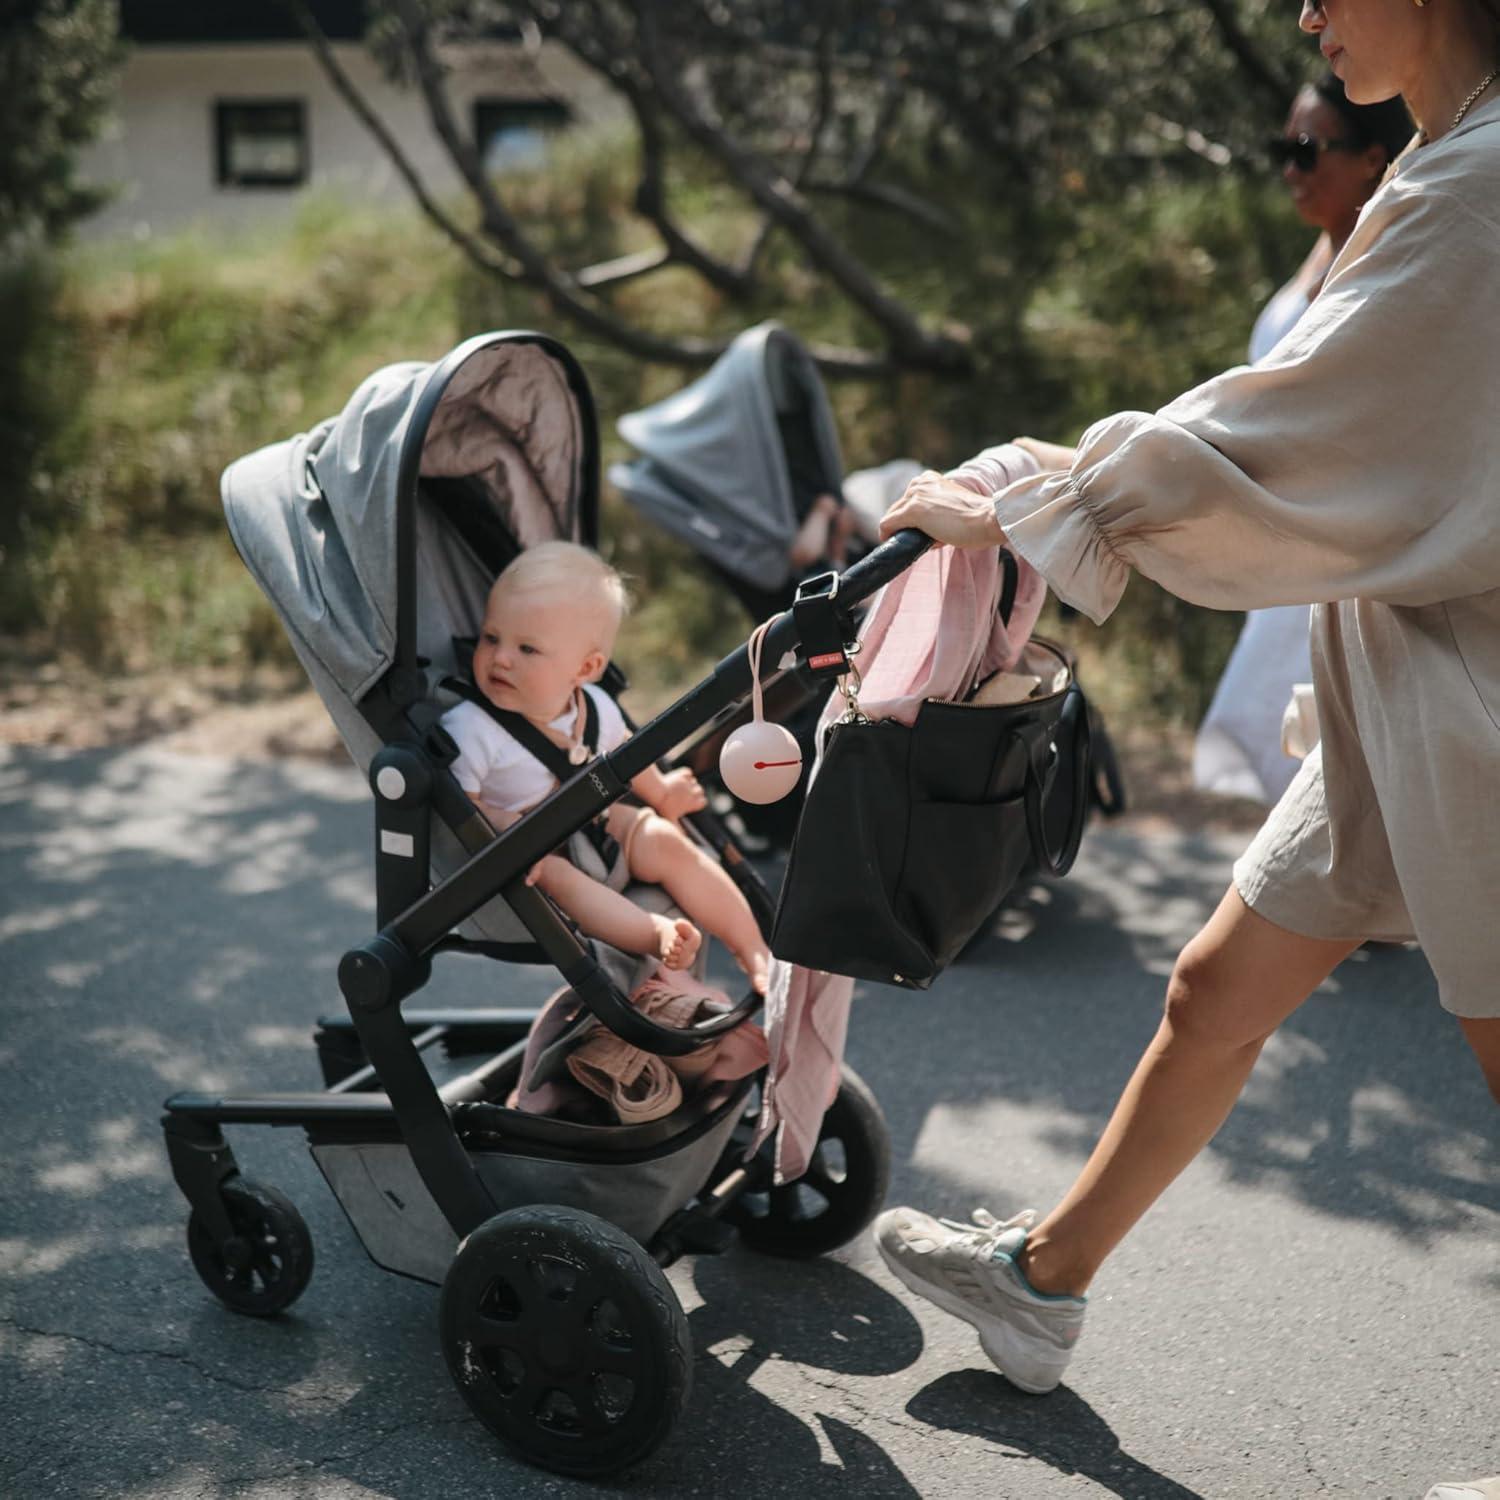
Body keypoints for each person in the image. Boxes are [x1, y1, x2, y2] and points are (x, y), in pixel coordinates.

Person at [870, 0, 1500, 1431]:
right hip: (1413, 691)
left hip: (1477, 704)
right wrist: (1055, 480)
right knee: (1214, 991)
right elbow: (1293, 403)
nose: (1306, 16)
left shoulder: (1478, 185)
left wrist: (1050, 502)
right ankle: (1045, 1278)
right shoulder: (1441, 160)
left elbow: (1313, 424)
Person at [1194, 74, 1413, 804]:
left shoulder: (1389, 272)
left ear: (1374, 160)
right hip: (1281, 571)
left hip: (1345, 571)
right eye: (1282, 149)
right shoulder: (1315, 263)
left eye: (1309, 149)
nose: (1291, 168)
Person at [442, 541, 772, 994]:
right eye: (491, 637)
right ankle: (653, 934)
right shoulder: (471, 727)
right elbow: (461, 803)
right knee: (559, 877)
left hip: (595, 824)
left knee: (662, 837)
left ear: (586, 668)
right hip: (537, 852)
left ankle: (753, 947)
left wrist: (661, 793)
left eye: (527, 649)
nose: (500, 658)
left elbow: (627, 757)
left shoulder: (596, 707)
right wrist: (503, 829)